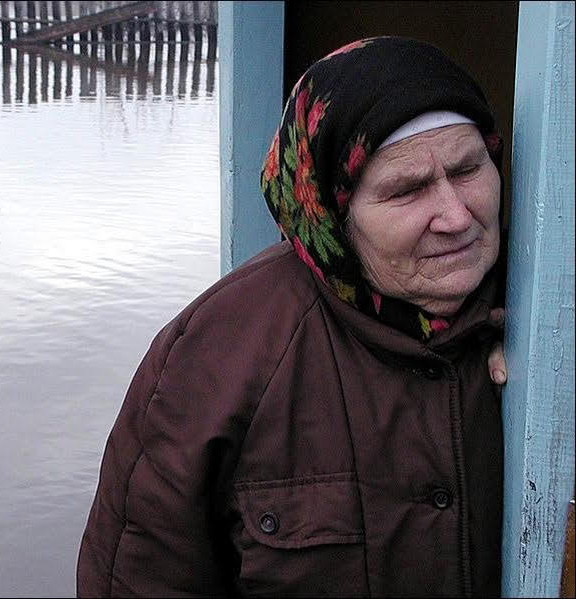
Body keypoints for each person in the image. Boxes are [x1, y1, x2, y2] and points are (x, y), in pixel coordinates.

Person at [77, 37, 509, 597]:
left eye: (468, 168)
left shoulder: (546, 312)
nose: (456, 216)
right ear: (330, 212)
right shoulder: (215, 357)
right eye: (407, 190)